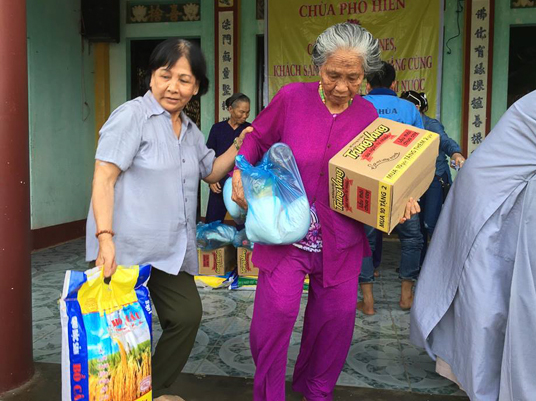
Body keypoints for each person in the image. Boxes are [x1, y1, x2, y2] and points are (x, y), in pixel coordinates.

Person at [230, 22, 420, 401]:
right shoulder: (292, 98)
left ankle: (316, 392)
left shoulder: (369, 116)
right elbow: (257, 139)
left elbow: (380, 175)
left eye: (353, 77)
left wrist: (401, 200)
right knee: (274, 319)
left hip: (341, 238)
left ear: (365, 75)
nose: (342, 87)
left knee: (333, 325)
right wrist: (240, 168)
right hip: (287, 233)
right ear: (319, 66)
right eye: (333, 74)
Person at [85, 38, 252, 401]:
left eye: (185, 79)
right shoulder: (131, 116)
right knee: (122, 334)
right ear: (151, 77)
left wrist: (240, 144)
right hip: (125, 248)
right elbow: (103, 177)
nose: (173, 87)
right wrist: (104, 238)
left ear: (197, 87)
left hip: (169, 250)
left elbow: (211, 172)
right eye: (165, 76)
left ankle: (153, 387)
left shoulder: (189, 131)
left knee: (186, 315)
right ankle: (124, 393)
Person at [410, 81, 536, 401]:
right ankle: (481, 382)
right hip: (493, 206)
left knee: (493, 303)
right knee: (485, 306)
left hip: (515, 204)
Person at [360, 61, 424, 310]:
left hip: (367, 183)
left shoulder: (358, 106)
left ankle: (368, 300)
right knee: (411, 239)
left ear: (367, 84)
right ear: (394, 84)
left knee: (365, 241)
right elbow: (421, 149)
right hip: (402, 184)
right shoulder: (408, 109)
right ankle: (406, 295)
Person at [400, 90, 465, 257]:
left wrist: (456, 153)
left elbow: (445, 141)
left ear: (416, 107)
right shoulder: (403, 125)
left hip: (435, 179)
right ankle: (420, 264)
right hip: (414, 180)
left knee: (431, 223)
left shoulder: (430, 124)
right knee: (417, 224)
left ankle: (440, 262)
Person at [205, 93, 251, 223]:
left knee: (244, 223)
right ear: (230, 109)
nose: (245, 116)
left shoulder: (249, 130)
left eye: (247, 112)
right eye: (241, 112)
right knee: (212, 222)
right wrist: (211, 179)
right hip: (218, 182)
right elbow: (209, 155)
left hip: (241, 182)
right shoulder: (217, 128)